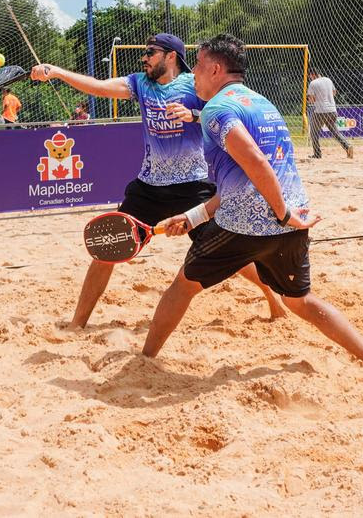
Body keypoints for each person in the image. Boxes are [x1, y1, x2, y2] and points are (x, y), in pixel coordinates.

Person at [142, 34, 363, 379]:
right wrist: (193, 217)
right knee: (301, 301)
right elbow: (246, 180)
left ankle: (145, 360)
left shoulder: (217, 110)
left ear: (216, 68)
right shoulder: (263, 103)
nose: (194, 75)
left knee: (183, 285)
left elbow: (257, 164)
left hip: (251, 224)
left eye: (199, 66)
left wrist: (281, 213)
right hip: (293, 223)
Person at [31, 33, 286, 328]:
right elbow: (100, 88)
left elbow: (232, 111)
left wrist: (193, 114)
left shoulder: (197, 85)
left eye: (151, 52)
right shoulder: (141, 84)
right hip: (149, 187)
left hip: (193, 185)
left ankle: (273, 299)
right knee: (107, 245)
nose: (145, 57)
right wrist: (60, 72)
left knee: (226, 250)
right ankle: (78, 322)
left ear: (170, 56)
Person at [307, 69, 353, 159]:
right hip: (332, 111)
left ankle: (317, 154)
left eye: (310, 76)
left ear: (312, 75)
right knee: (335, 132)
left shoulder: (313, 83)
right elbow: (334, 93)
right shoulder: (328, 80)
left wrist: (310, 98)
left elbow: (312, 100)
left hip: (320, 111)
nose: (310, 78)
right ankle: (347, 146)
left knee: (313, 133)